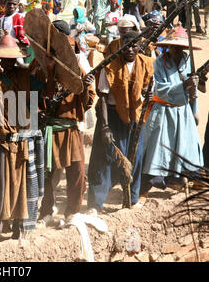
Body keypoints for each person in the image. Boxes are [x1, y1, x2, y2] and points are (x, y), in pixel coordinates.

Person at [0, 35, 44, 242]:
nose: (8, 63)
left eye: (12, 59)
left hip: (22, 140)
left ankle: (18, 229)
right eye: (4, 59)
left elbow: (40, 95)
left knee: (22, 189)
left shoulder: (25, 76)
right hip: (1, 141)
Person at [87, 31, 154, 215]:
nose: (130, 49)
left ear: (139, 46)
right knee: (107, 159)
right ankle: (96, 203)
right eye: (127, 44)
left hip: (135, 119)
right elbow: (102, 98)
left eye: (134, 45)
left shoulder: (146, 63)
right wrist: (105, 126)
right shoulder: (110, 65)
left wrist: (149, 95)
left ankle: (131, 199)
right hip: (113, 117)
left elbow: (148, 89)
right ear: (121, 45)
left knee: (135, 158)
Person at [37, 21, 96, 223]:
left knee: (78, 173)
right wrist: (51, 72)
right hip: (50, 128)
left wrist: (86, 87)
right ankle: (46, 211)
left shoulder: (78, 68)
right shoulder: (39, 66)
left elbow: (87, 102)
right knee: (47, 174)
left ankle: (72, 211)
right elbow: (35, 96)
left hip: (71, 129)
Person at [139, 26, 203, 200]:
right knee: (157, 149)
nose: (177, 51)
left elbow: (193, 90)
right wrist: (183, 85)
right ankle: (145, 188)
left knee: (185, 148)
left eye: (180, 48)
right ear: (168, 47)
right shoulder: (160, 63)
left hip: (183, 113)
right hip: (164, 112)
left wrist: (194, 109)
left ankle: (180, 180)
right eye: (174, 47)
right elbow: (160, 89)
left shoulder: (188, 61)